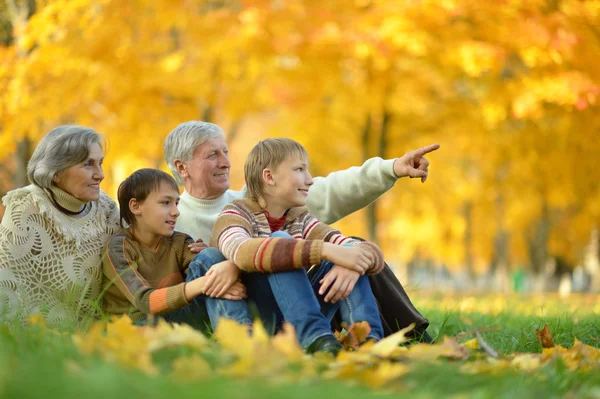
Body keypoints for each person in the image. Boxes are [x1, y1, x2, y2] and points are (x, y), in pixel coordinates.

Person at [164, 121, 437, 341]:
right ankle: (261, 343)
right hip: (222, 314)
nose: (226, 162)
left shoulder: (256, 198)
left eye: (225, 151)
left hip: (278, 304)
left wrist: (390, 169)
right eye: (213, 154)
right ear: (181, 167)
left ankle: (392, 337)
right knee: (223, 254)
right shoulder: (169, 218)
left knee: (352, 246)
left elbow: (330, 189)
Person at [211, 138, 385, 354]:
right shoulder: (234, 213)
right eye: (300, 169)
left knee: (350, 252)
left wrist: (350, 262)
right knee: (281, 240)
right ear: (269, 176)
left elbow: (357, 248)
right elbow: (242, 252)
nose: (310, 180)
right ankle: (316, 338)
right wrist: (323, 250)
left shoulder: (299, 219)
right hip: (261, 321)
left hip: (297, 312)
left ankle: (368, 342)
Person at [100, 168, 249, 332]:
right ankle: (241, 340)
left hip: (176, 321)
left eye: (176, 203)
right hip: (136, 329)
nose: (176, 212)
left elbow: (208, 267)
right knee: (214, 277)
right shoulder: (119, 248)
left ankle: (241, 335)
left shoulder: (179, 242)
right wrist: (206, 282)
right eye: (165, 203)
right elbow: (146, 302)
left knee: (211, 257)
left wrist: (220, 265)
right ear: (136, 206)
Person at [0, 126, 120, 326]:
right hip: (39, 339)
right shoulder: (28, 207)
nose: (100, 174)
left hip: (103, 337)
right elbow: (7, 286)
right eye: (88, 164)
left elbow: (136, 256)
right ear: (56, 172)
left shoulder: (106, 208)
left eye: (100, 163)